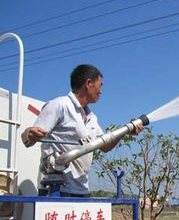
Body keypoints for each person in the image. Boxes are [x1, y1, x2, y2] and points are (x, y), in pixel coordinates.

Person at [22, 64, 143, 196]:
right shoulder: (59, 105)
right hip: (55, 189)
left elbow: (104, 146)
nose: (101, 91)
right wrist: (29, 133)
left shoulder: (92, 118)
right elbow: (30, 136)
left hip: (80, 189)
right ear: (89, 83)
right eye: (100, 85)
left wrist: (126, 130)